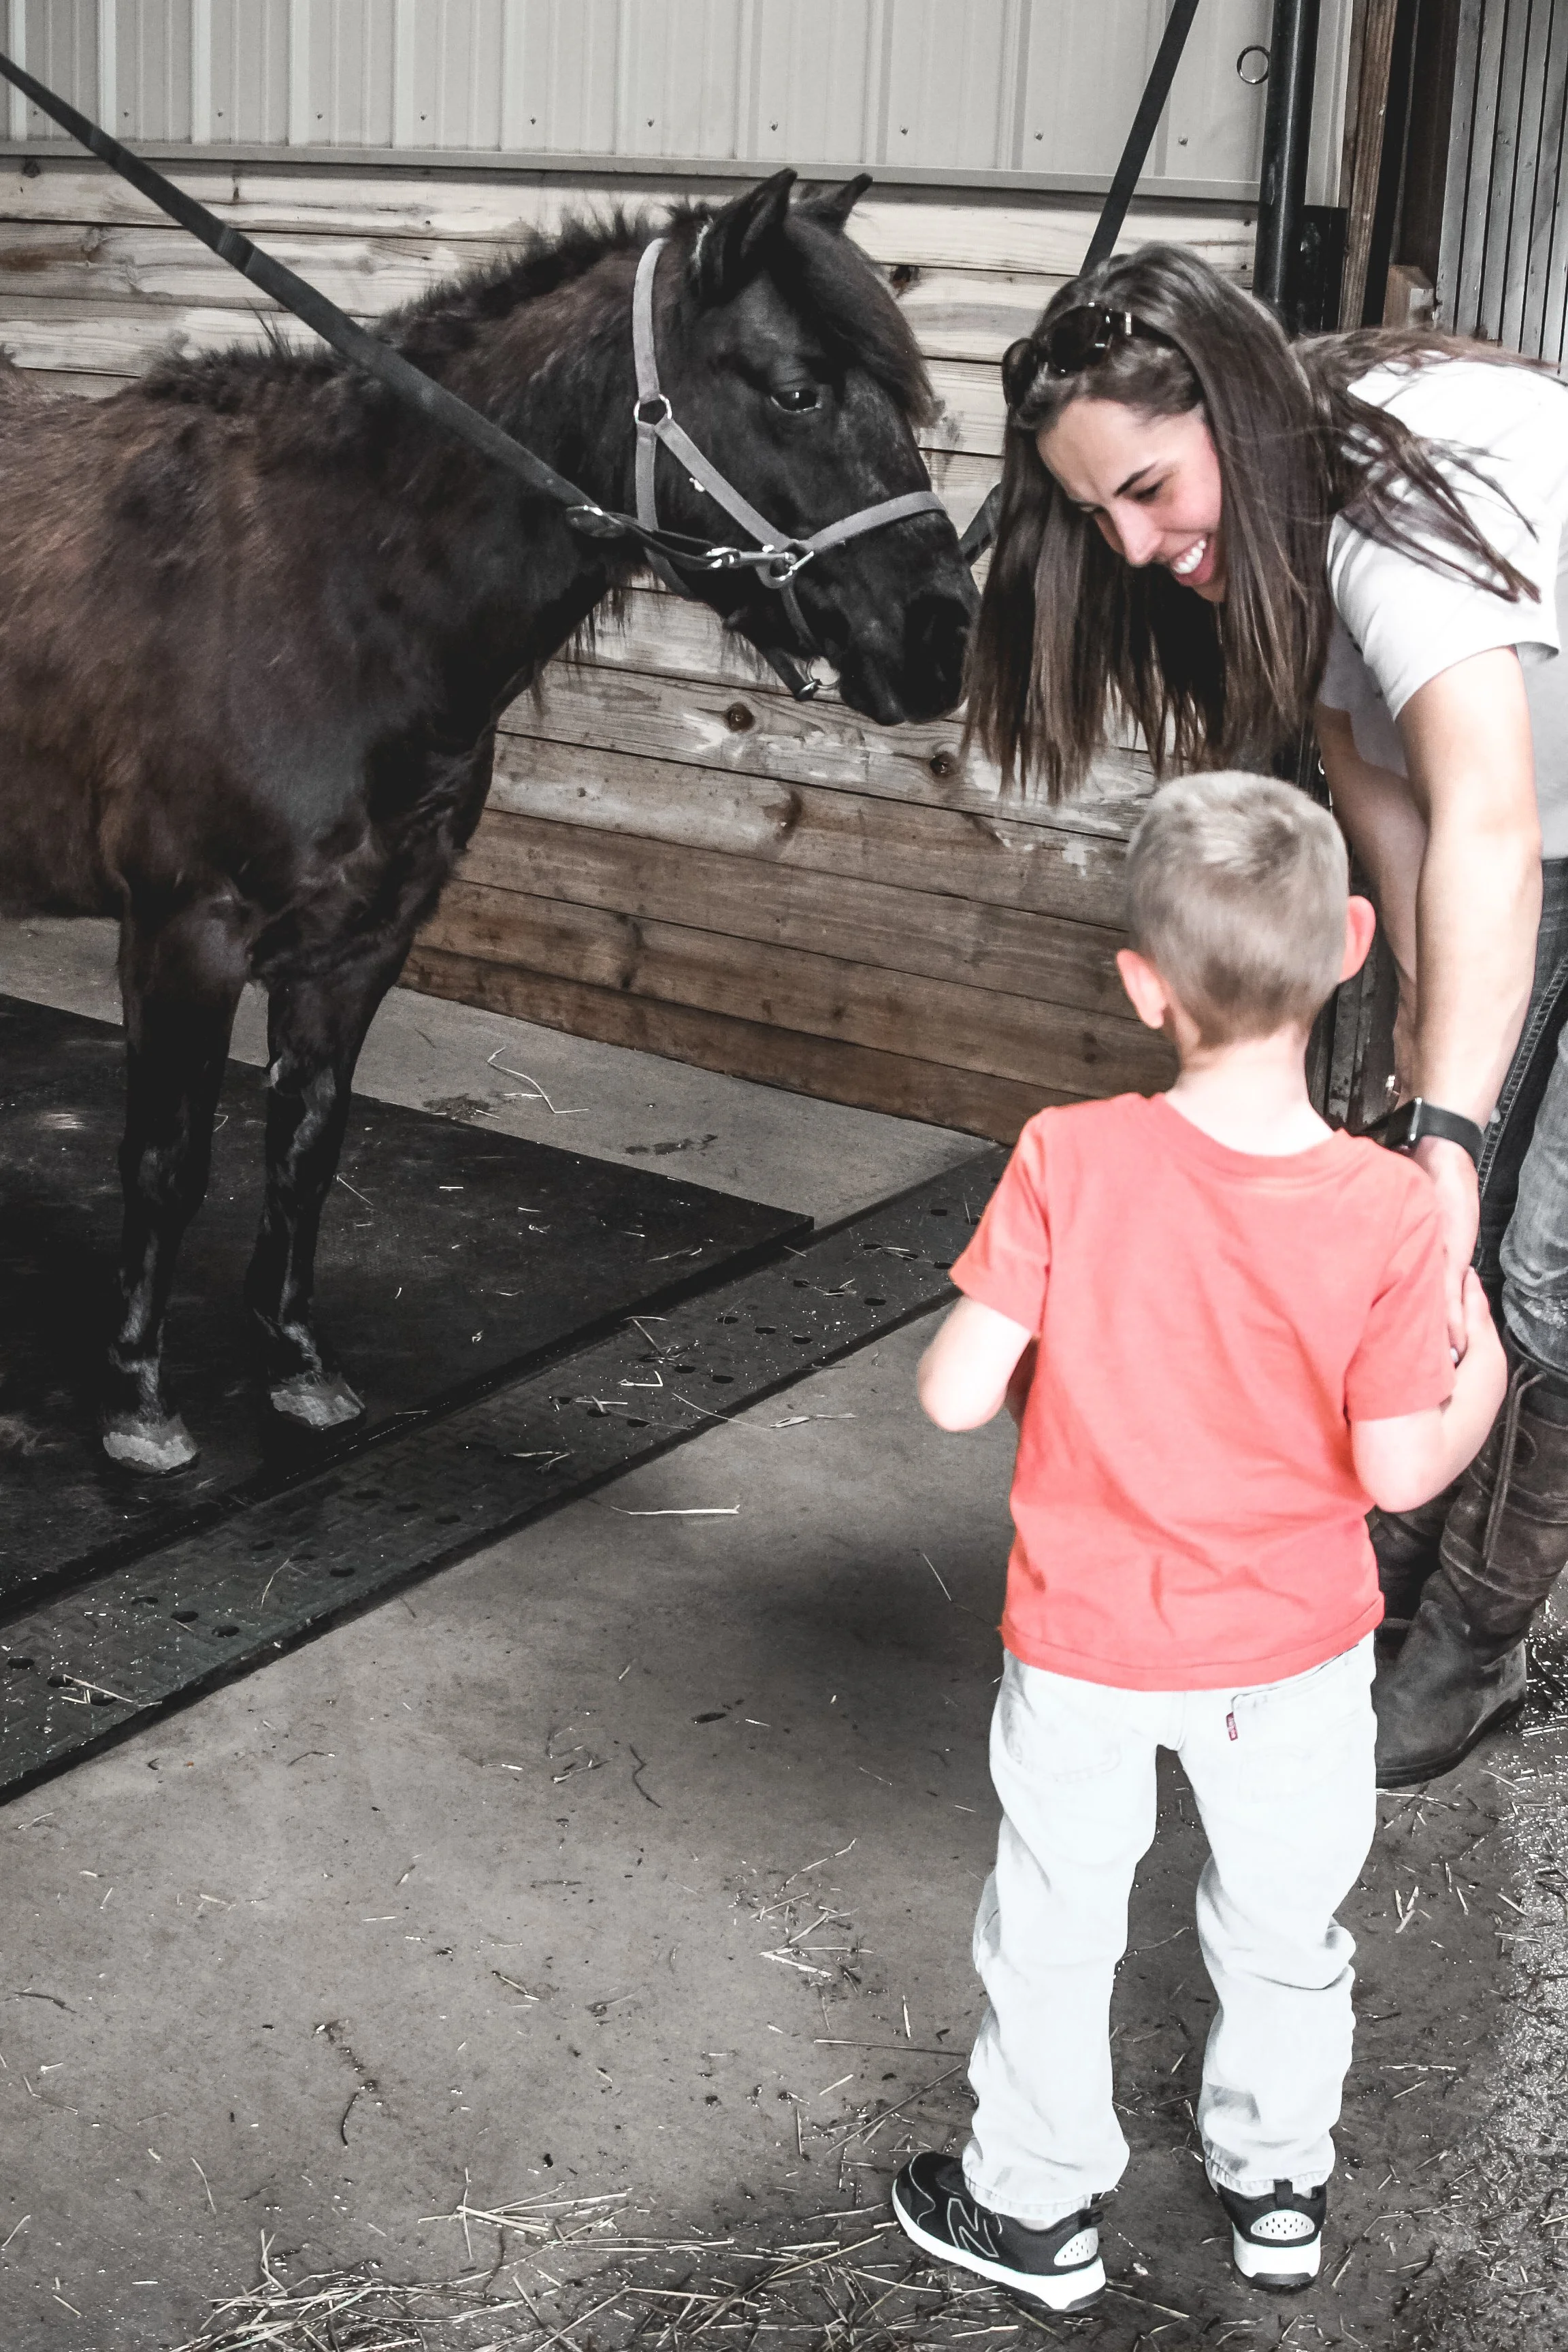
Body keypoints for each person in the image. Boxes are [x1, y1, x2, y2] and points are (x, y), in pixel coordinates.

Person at [891, 774, 1505, 2312]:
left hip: (1087, 1646)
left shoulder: (1069, 1155)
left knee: (1054, 1925)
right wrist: (1483, 1378)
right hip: (1293, 1657)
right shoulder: (1387, 1212)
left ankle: (1033, 2215)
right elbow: (1392, 1466)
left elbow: (957, 1395)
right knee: (1287, 1926)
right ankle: (1277, 2186)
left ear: (1142, 984)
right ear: (1355, 944)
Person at [964, 245, 1568, 1786]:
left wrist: (1440, 1139)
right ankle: (1393, 1567)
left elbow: (1487, 819)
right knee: (1466, 1201)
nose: (1136, 543)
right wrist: (1438, 1113)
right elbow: (1401, 818)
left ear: (1225, 407)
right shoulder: (1284, 535)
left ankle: (1470, 1650)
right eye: (1102, 514)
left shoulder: (1393, 508)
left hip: (1536, 816)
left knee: (1550, 1261)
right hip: (1543, 824)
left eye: (1151, 489)